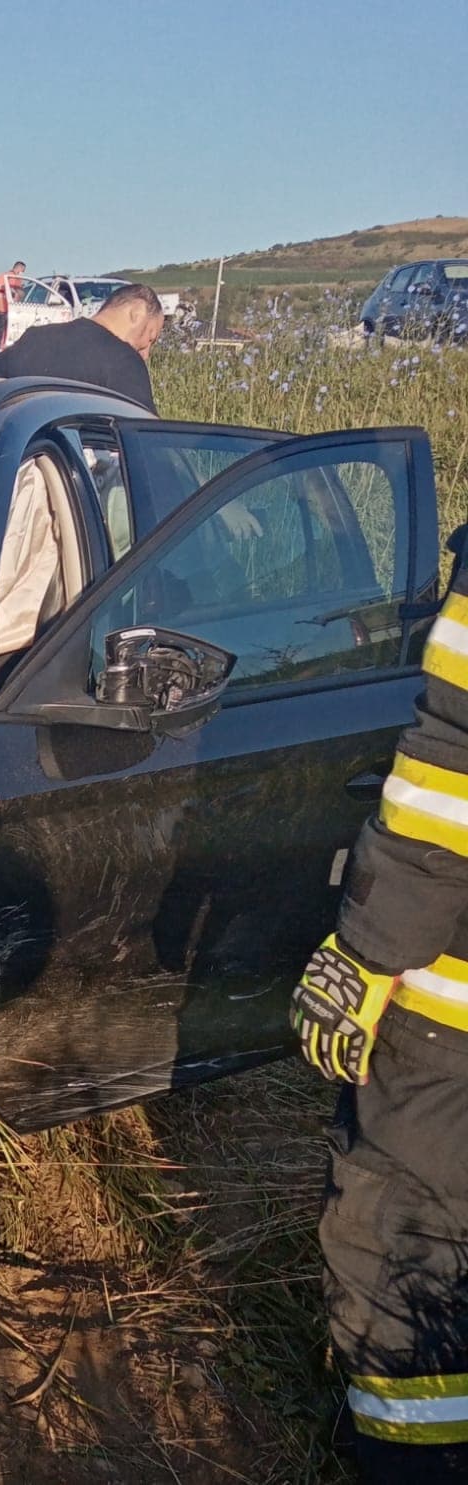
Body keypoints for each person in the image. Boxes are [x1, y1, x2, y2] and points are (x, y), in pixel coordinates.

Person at [290, 543, 468, 1482]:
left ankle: (415, 1460)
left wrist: (365, 951)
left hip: (451, 1025)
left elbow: (451, 768)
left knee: (403, 1242)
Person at [0, 281, 163, 411]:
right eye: (150, 338)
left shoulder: (34, 338)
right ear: (136, 313)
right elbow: (147, 434)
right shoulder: (125, 362)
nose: (146, 353)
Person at [0, 260, 26, 351]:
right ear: (19, 268)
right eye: (23, 271)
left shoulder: (0, 275)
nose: (22, 273)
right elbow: (18, 294)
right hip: (3, 307)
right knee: (2, 330)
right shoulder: (14, 278)